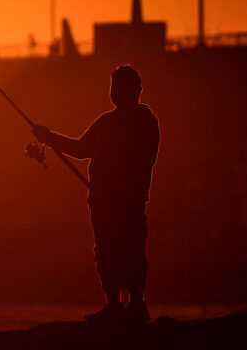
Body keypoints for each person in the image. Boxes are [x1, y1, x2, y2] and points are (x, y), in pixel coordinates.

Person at [33, 65, 160, 323]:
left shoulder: (125, 123)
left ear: (137, 90)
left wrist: (50, 138)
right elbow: (83, 149)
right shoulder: (139, 122)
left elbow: (82, 149)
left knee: (120, 250)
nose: (115, 93)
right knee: (114, 250)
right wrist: (49, 138)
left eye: (120, 88)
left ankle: (128, 306)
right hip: (113, 201)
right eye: (113, 88)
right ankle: (121, 305)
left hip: (119, 201)